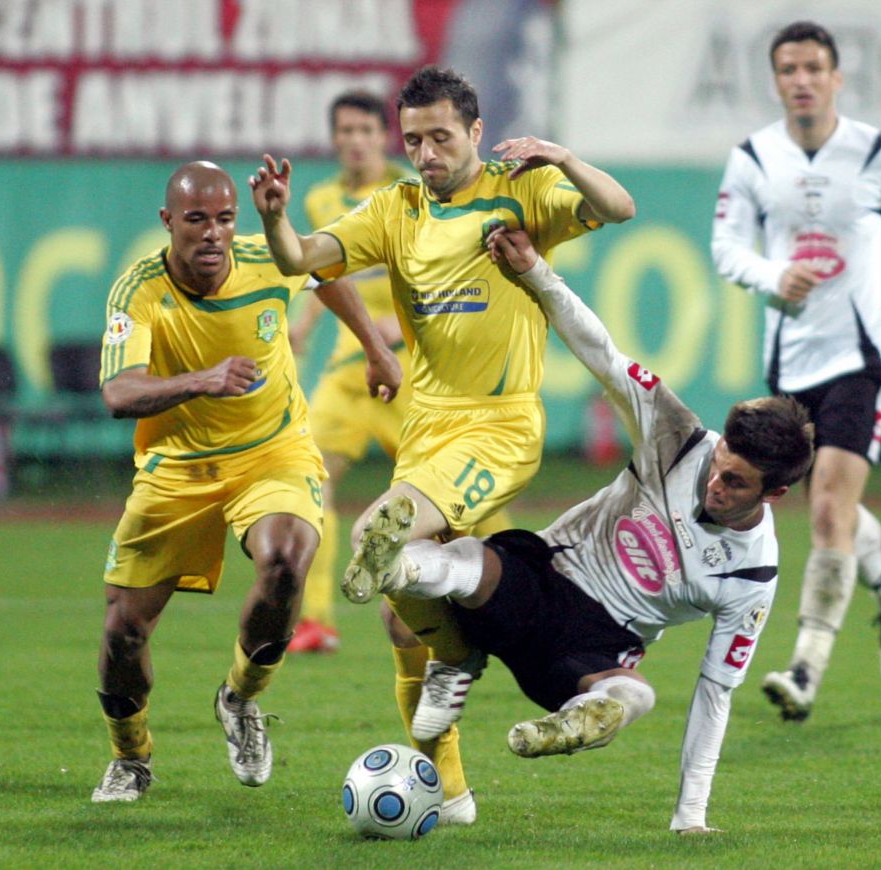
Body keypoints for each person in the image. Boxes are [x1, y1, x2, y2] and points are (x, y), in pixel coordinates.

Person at [250, 65, 635, 822]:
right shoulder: (395, 208)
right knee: (401, 615)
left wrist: (560, 157)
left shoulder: (520, 190)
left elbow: (618, 207)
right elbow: (302, 259)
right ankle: (451, 794)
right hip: (426, 429)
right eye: (415, 138)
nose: (426, 152)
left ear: (477, 133)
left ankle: (461, 656)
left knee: (374, 537)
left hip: (498, 425)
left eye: (441, 137)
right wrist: (273, 216)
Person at [342, 227, 815, 833]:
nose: (714, 483)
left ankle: (567, 725)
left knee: (637, 696)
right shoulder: (682, 438)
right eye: (719, 466)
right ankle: (397, 565)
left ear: (773, 494)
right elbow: (603, 353)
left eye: (735, 483)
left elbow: (715, 692)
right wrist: (538, 273)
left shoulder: (753, 575)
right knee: (465, 558)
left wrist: (690, 815)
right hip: (546, 575)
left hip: (590, 650)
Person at [91, 161, 400, 802]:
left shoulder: (265, 257)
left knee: (287, 559)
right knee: (123, 632)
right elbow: (120, 392)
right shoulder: (138, 290)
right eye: (197, 220)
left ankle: (240, 698)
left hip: (273, 453)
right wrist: (202, 379)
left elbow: (325, 274)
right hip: (178, 469)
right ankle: (131, 756)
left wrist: (374, 346)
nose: (212, 234)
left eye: (225, 219)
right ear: (168, 221)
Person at [711, 21, 881, 722]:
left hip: (863, 353)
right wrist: (770, 273)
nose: (802, 79)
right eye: (789, 68)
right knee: (831, 505)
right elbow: (726, 245)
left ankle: (805, 669)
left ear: (836, 77)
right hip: (791, 356)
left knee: (827, 508)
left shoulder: (880, 152)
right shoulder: (754, 159)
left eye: (814, 68)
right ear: (776, 78)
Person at [288, 90, 515, 655]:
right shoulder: (321, 199)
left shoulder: (410, 195)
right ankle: (315, 618)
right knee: (310, 479)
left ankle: (531, 593)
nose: (355, 140)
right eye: (345, 131)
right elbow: (329, 271)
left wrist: (396, 327)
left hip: (413, 373)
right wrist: (305, 324)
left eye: (365, 130)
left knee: (470, 504)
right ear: (336, 138)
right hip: (349, 371)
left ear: (380, 137)